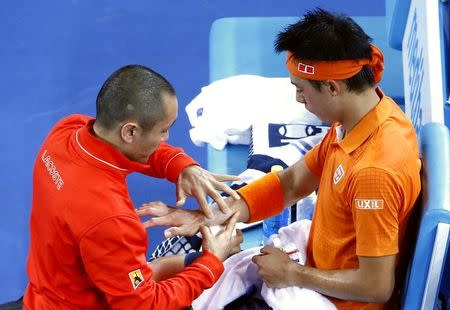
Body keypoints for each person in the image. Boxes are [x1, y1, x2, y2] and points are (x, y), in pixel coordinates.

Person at [136, 9, 421, 309]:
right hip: (316, 262)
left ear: (333, 88)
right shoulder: (365, 115)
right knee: (192, 260)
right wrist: (211, 215)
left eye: (300, 89)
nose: (299, 99)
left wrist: (291, 273)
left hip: (335, 301)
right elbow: (292, 182)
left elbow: (377, 287)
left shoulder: (373, 172)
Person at [24, 64, 243, 310]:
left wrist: (180, 165)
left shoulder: (66, 132)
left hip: (43, 296)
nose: (166, 139)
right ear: (129, 131)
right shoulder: (110, 219)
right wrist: (211, 263)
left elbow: (124, 151)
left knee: (156, 268)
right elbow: (144, 304)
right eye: (163, 130)